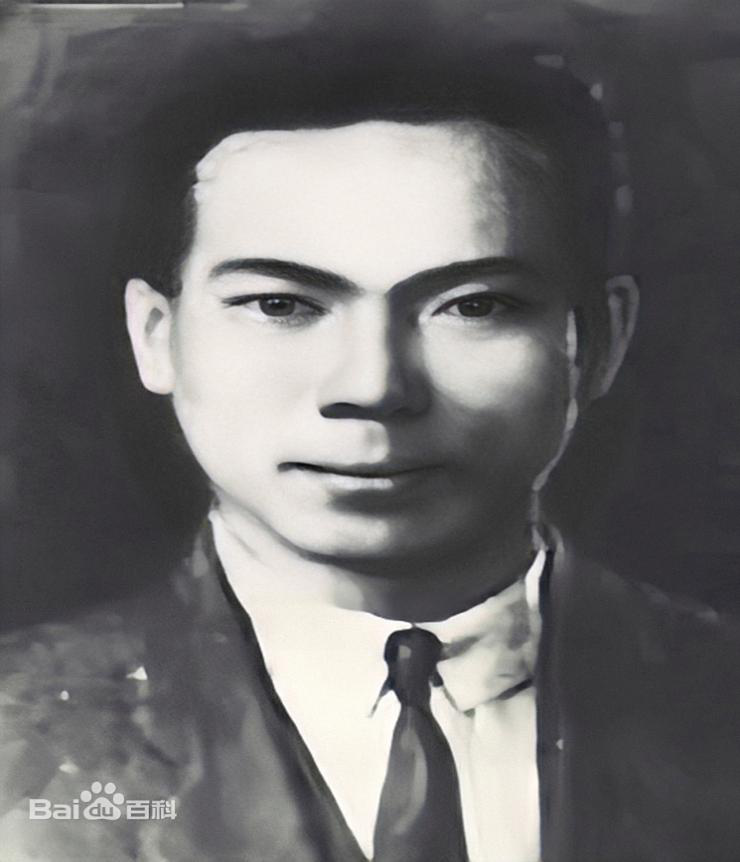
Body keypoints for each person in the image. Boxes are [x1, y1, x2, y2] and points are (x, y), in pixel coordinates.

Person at [2, 22, 739, 862]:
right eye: (281, 305)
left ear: (599, 342)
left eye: (474, 305)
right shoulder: (20, 732)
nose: (375, 387)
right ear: (156, 337)